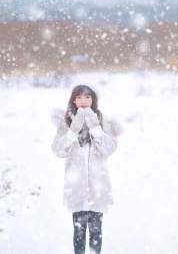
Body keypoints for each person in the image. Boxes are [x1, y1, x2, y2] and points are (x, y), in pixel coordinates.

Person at [51, 84, 122, 254]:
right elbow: (58, 150)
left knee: (96, 231)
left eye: (88, 97)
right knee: (79, 232)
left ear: (93, 100)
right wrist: (73, 130)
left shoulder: (104, 121)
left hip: (97, 187)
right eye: (80, 97)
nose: (84, 101)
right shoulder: (65, 122)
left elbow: (109, 149)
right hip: (77, 187)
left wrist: (96, 129)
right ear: (74, 100)